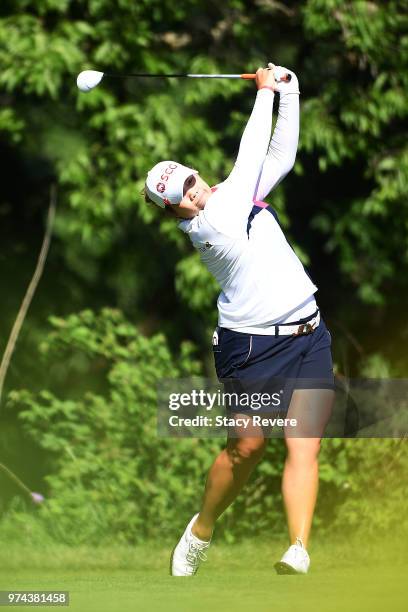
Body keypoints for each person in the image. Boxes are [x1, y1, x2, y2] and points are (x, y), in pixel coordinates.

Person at [144, 64, 335, 576]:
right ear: (176, 212)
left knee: (304, 445)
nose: (192, 191)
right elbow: (253, 150)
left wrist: (289, 93)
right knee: (247, 448)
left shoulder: (233, 193)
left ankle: (298, 548)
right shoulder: (213, 224)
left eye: (190, 179)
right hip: (251, 348)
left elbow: (279, 157)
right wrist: (264, 93)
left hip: (309, 334)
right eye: (181, 196)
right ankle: (202, 527)